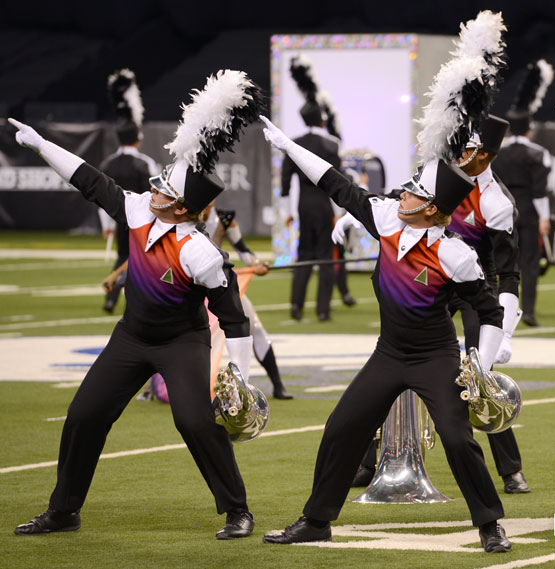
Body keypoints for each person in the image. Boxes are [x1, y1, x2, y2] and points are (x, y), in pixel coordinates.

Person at [10, 69, 263, 541]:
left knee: (193, 420)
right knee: (84, 414)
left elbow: (233, 318)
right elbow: (89, 179)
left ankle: (237, 510)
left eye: (164, 191)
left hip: (180, 342)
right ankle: (64, 511)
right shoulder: (137, 209)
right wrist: (41, 144)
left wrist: (242, 378)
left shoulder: (200, 253)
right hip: (131, 336)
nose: (153, 191)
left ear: (184, 209)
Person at [259, 115, 512, 553]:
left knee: (456, 437)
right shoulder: (387, 220)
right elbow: (336, 184)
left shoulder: (455, 255)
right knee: (341, 428)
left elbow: (488, 312)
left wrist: (482, 368)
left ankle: (490, 524)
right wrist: (286, 146)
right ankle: (317, 520)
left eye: (414, 191)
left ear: (431, 208)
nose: (403, 193)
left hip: (436, 358)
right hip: (389, 353)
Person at [448, 114, 529, 494]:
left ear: (486, 155)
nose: (459, 154)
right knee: (395, 359)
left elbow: (508, 274)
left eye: (468, 149)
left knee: (481, 373)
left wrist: (505, 332)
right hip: (432, 280)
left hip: (475, 287)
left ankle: (510, 469)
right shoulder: (440, 175)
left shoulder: (496, 202)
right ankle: (371, 462)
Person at [200, 202, 293, 399]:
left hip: (219, 285)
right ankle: (153, 387)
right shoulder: (180, 216)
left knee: (254, 327)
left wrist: (256, 264)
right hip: (189, 287)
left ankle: (277, 384)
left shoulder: (224, 219)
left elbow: (243, 249)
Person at [492, 60, 554, 327]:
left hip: (502, 208)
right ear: (529, 128)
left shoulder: (498, 154)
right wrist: (545, 218)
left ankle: (497, 310)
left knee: (501, 263)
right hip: (528, 210)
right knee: (529, 262)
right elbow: (540, 191)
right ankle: (527, 311)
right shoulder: (537, 154)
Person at [281, 55, 342, 322]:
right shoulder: (331, 145)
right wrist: (340, 211)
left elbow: (284, 182)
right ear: (321, 119)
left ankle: (296, 306)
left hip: (303, 205)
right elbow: (339, 181)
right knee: (326, 257)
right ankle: (323, 310)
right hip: (324, 202)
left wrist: (287, 210)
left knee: (304, 255)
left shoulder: (293, 144)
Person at [99, 68, 159, 313]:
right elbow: (155, 194)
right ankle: (136, 299)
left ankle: (112, 298)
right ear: (138, 138)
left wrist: (107, 224)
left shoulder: (108, 164)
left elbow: (101, 197)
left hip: (119, 218)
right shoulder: (145, 163)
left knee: (123, 255)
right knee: (141, 259)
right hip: (142, 220)